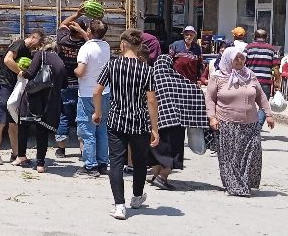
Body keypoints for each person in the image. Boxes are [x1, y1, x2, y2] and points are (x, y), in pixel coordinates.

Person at [93, 29, 159, 220]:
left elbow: (97, 91)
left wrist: (98, 112)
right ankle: (137, 197)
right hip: (139, 122)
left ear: (122, 45)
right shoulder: (147, 69)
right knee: (139, 162)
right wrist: (154, 128)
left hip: (116, 121)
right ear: (139, 47)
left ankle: (119, 205)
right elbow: (152, 101)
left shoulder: (112, 65)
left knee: (116, 162)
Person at [205, 46, 275, 197]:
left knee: (252, 153)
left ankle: (244, 182)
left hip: (250, 123)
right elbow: (210, 99)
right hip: (226, 122)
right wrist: (212, 117)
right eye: (236, 58)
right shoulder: (218, 77)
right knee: (230, 157)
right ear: (228, 59)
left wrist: (268, 114)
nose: (240, 60)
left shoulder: (250, 75)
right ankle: (235, 186)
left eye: (242, 57)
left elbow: (261, 96)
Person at [148, 54, 209, 191]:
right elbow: (194, 90)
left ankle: (156, 175)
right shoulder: (176, 79)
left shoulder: (150, 79)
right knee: (171, 152)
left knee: (157, 151)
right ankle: (162, 178)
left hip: (154, 124)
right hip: (174, 123)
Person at [15, 35, 66, 173]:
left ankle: (21, 156)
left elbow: (30, 73)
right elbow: (64, 82)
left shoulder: (41, 54)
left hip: (34, 97)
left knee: (23, 124)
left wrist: (22, 73)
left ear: (42, 45)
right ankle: (40, 164)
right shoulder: (58, 59)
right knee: (41, 130)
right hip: (50, 100)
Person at [0, 31, 42, 165]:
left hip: (15, 86)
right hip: (4, 84)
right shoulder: (19, 44)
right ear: (33, 37)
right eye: (38, 42)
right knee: (0, 120)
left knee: (14, 121)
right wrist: (21, 71)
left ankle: (16, 154)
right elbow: (7, 60)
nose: (38, 46)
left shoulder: (28, 52)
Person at [73, 19, 111, 177]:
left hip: (88, 94)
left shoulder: (85, 49)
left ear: (89, 32)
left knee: (87, 131)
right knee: (102, 128)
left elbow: (81, 71)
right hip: (104, 92)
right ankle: (103, 163)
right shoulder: (106, 46)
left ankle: (90, 166)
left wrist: (74, 70)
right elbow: (94, 44)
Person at [54, 10, 92, 157]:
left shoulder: (62, 39)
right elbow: (92, 42)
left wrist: (76, 14)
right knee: (81, 117)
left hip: (64, 84)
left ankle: (61, 149)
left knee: (64, 115)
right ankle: (83, 150)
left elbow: (62, 24)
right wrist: (82, 31)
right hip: (81, 84)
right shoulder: (85, 44)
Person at [243, 29, 281, 128]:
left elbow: (241, 64)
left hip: (249, 81)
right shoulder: (272, 49)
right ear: (266, 37)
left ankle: (248, 126)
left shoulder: (248, 48)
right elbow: (276, 67)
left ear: (254, 37)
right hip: (265, 82)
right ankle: (258, 127)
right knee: (263, 106)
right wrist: (278, 81)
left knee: (247, 104)